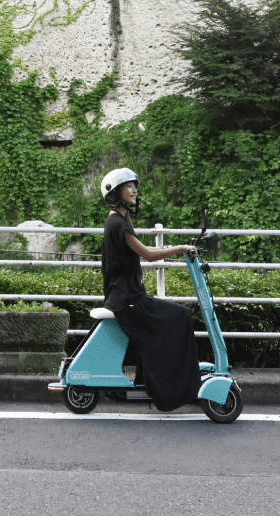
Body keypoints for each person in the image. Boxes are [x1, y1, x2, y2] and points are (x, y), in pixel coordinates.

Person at [100, 167, 202, 411]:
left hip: (129, 297)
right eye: (128, 187)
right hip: (128, 301)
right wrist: (179, 248)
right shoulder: (117, 223)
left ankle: (160, 385)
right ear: (116, 193)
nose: (134, 190)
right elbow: (148, 254)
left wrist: (179, 248)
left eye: (135, 186)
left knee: (174, 318)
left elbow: (144, 252)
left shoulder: (120, 219)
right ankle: (173, 391)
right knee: (181, 316)